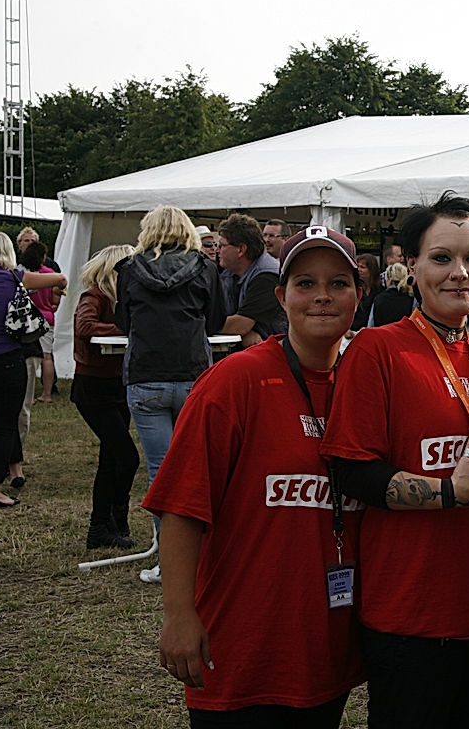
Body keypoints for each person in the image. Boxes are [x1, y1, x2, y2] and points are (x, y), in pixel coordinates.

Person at [321, 193, 469, 729]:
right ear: (409, 264)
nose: (461, 273)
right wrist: (446, 492)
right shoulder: (376, 351)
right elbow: (351, 470)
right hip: (411, 612)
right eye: (442, 258)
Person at [143, 226, 366, 727]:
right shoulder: (234, 381)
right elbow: (182, 505)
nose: (322, 297)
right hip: (244, 641)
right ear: (279, 296)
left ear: (359, 293)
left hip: (325, 643)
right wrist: (179, 615)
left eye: (338, 283)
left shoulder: (367, 382)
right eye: (305, 283)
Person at [117, 205, 225, 583]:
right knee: (199, 471)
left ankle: (171, 563)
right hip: (194, 374)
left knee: (162, 475)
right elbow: (215, 321)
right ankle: (207, 558)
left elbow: (122, 322)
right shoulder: (205, 267)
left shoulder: (130, 269)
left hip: (146, 375)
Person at [0, 232, 66, 508]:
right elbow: (57, 278)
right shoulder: (14, 278)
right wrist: (62, 282)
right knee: (4, 424)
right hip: (7, 360)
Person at [73, 244, 141, 549]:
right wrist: (123, 330)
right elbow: (85, 326)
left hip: (115, 384)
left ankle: (106, 524)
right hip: (94, 386)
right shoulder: (95, 295)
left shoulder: (118, 299)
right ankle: (108, 521)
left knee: (112, 457)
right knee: (125, 456)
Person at [218, 213, 286, 348]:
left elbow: (240, 325)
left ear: (241, 250)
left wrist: (198, 325)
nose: (217, 250)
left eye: (222, 245)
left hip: (275, 355)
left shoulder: (267, 277)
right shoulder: (229, 273)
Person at [19, 241, 62, 404]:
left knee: (26, 357)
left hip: (28, 317)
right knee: (46, 356)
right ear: (43, 257)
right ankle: (47, 393)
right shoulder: (50, 273)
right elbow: (58, 293)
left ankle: (26, 393)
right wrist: (55, 304)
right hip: (46, 316)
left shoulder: (23, 274)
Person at [368, 262, 413, 327]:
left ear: (389, 279)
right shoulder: (411, 298)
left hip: (381, 335)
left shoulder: (378, 299)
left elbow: (371, 325)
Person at [350, 253, 383, 332]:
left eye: (362, 267)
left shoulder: (380, 290)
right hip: (353, 331)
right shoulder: (353, 288)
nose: (358, 269)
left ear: (371, 270)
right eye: (357, 266)